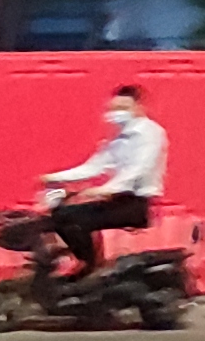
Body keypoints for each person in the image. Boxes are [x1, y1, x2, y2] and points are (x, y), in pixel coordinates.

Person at [39, 83, 167, 276]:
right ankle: (88, 264)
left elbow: (139, 169)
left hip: (135, 204)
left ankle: (88, 269)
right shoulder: (119, 139)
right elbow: (94, 166)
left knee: (72, 219)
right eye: (114, 108)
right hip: (117, 200)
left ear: (139, 108)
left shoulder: (150, 133)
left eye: (123, 108)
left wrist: (106, 189)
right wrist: (55, 177)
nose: (117, 113)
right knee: (60, 214)